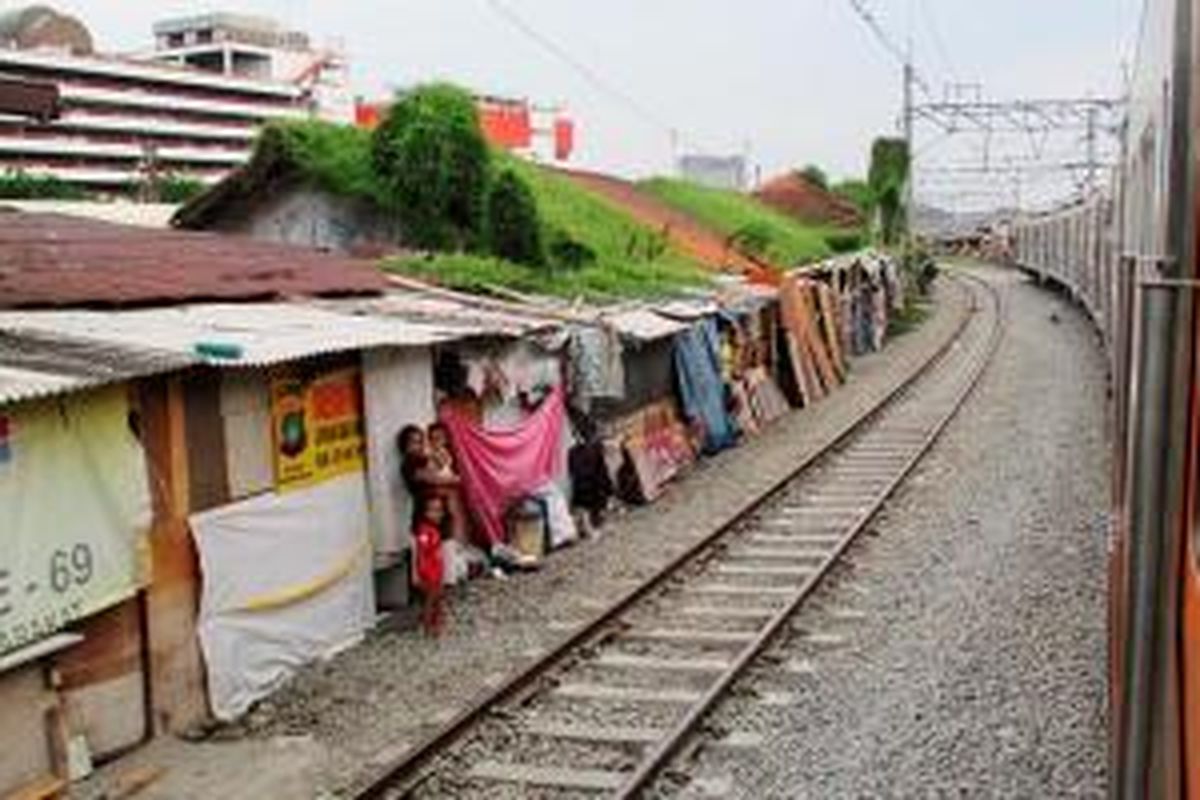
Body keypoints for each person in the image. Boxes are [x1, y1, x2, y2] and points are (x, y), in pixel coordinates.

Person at [412, 494, 446, 636]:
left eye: (439, 510)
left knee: (436, 599)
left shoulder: (433, 530)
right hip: (429, 574)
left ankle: (435, 624)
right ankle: (428, 627)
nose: (437, 514)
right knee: (430, 601)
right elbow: (421, 553)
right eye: (433, 510)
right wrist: (419, 574)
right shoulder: (424, 531)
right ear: (424, 512)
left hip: (436, 573)